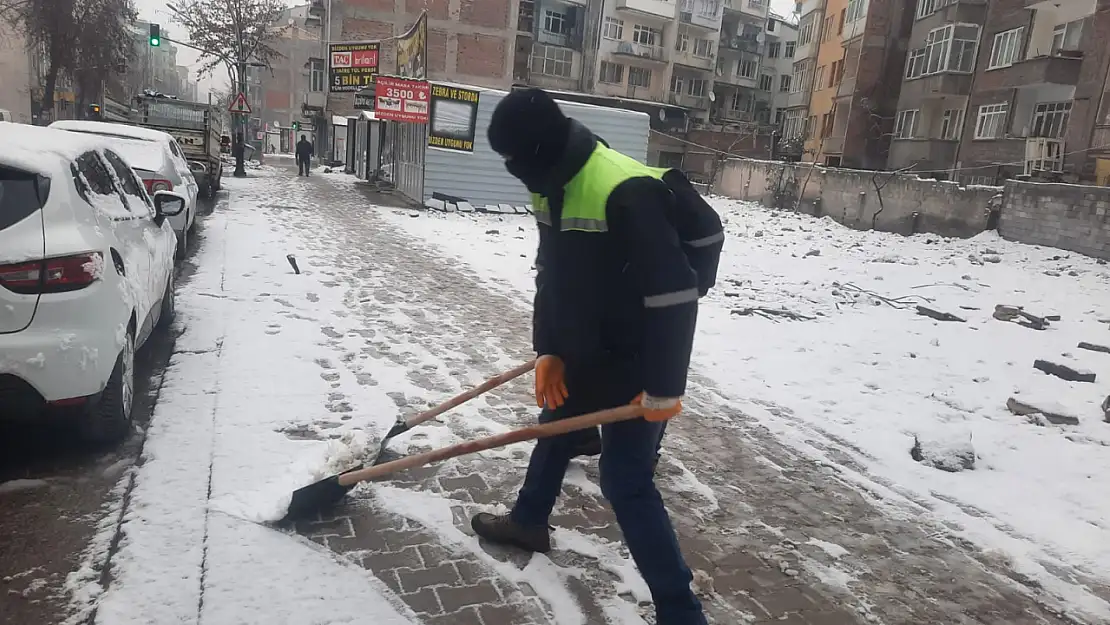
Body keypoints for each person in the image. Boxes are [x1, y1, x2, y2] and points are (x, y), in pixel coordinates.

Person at [471, 87, 722, 625]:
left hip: (638, 356)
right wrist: (549, 350)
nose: (514, 172)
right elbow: (552, 275)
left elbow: (675, 294)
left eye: (516, 161)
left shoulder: (624, 188)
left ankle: (681, 612)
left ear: (537, 152)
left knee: (625, 479)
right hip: (586, 345)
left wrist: (663, 388)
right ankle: (529, 521)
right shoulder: (550, 185)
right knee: (555, 422)